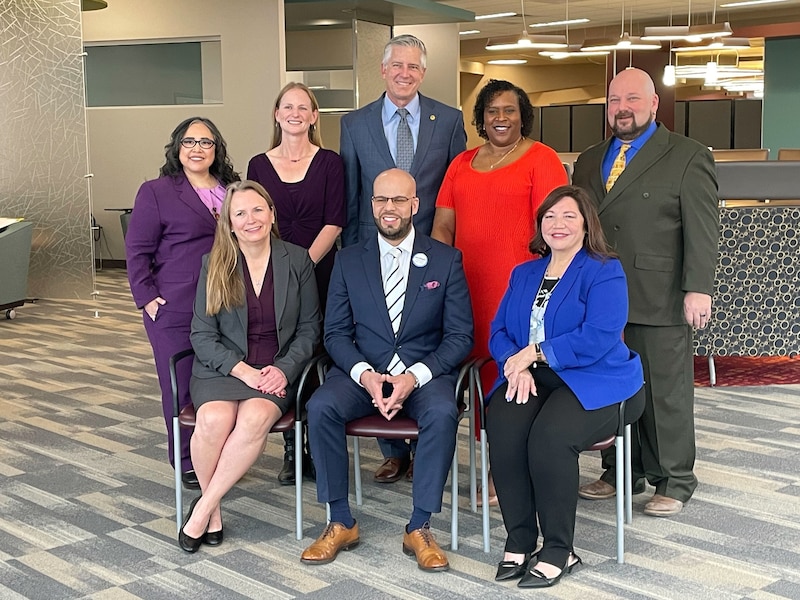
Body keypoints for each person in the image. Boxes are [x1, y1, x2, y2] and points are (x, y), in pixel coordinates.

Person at [300, 169, 473, 571]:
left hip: (423, 374)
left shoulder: (446, 261)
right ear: (372, 205)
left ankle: (420, 526)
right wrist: (365, 374)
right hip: (365, 374)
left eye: (398, 200)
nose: (388, 208)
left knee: (443, 412)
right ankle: (340, 520)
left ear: (415, 205)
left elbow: (460, 336)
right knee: (321, 406)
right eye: (381, 200)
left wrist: (414, 376)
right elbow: (336, 333)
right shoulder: (348, 260)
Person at [572, 67, 719, 517]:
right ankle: (620, 471)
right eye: (615, 101)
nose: (623, 109)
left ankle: (675, 478)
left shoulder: (688, 155)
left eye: (633, 99)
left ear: (654, 104)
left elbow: (703, 228)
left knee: (663, 392)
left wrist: (698, 288)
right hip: (599, 297)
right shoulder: (589, 158)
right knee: (610, 386)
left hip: (660, 294)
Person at [487, 185, 645, 587]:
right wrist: (514, 363)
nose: (558, 224)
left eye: (568, 216)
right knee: (503, 426)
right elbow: (500, 330)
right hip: (533, 376)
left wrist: (533, 353)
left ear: (586, 223)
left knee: (550, 439)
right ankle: (520, 539)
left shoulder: (604, 269)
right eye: (550, 216)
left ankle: (560, 549)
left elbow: (600, 335)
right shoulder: (524, 273)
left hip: (598, 378)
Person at [432, 79, 568, 505]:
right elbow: (442, 227)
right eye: (492, 111)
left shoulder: (541, 159)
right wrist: (438, 279)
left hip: (521, 291)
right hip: (467, 287)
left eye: (509, 110)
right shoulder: (461, 164)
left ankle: (504, 473)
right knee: (477, 374)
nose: (501, 118)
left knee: (512, 377)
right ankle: (492, 462)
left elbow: (555, 230)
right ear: (481, 118)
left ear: (523, 115)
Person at [339, 33, 467, 483]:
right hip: (373, 249)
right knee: (378, 342)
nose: (405, 74)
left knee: (417, 340)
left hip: (429, 254)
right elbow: (355, 198)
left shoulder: (448, 121)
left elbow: (454, 193)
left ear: (423, 73)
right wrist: (353, 260)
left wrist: (447, 251)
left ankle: (421, 441)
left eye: (414, 67)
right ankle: (393, 449)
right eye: (398, 66)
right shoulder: (355, 124)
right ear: (383, 69)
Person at [179, 180, 321, 553]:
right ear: (228, 223)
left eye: (258, 210)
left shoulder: (297, 259)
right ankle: (213, 511)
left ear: (272, 214)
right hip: (224, 370)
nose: (250, 219)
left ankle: (204, 508)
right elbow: (202, 334)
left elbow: (310, 329)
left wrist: (283, 370)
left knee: (254, 419)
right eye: (239, 213)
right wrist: (242, 370)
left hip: (276, 369)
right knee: (212, 422)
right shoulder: (214, 263)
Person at [126, 117, 240, 489]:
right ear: (177, 148)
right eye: (189, 141)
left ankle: (218, 455)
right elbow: (137, 250)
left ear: (216, 149)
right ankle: (187, 461)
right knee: (180, 385)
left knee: (219, 384)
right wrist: (147, 299)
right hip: (174, 306)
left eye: (206, 142)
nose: (197, 149)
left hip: (227, 305)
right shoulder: (157, 191)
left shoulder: (231, 190)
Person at [247, 82, 346, 485]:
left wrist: (302, 265)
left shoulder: (330, 162)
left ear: (313, 116)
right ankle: (292, 447)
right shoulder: (258, 164)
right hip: (271, 273)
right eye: (287, 106)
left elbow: (335, 219)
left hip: (319, 269)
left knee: (319, 351)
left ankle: (319, 443)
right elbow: (254, 218)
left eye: (302, 107)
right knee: (282, 348)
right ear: (276, 114)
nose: (294, 113)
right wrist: (281, 268)